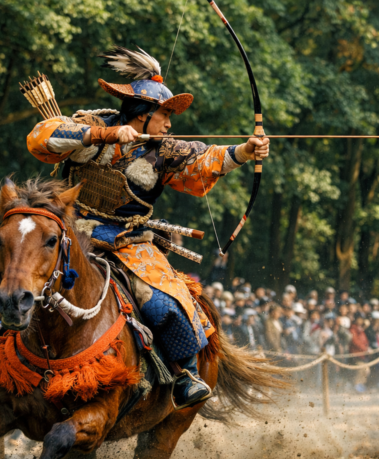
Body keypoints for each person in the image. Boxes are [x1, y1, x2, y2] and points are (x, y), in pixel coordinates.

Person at [19, 46, 270, 409]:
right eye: (164, 114)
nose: (169, 123)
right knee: (8, 268)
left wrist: (245, 151)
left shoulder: (165, 150)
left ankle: (185, 374)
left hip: (127, 239)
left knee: (165, 301)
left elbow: (204, 161)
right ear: (142, 112)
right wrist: (105, 135)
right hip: (68, 232)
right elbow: (42, 137)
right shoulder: (91, 123)